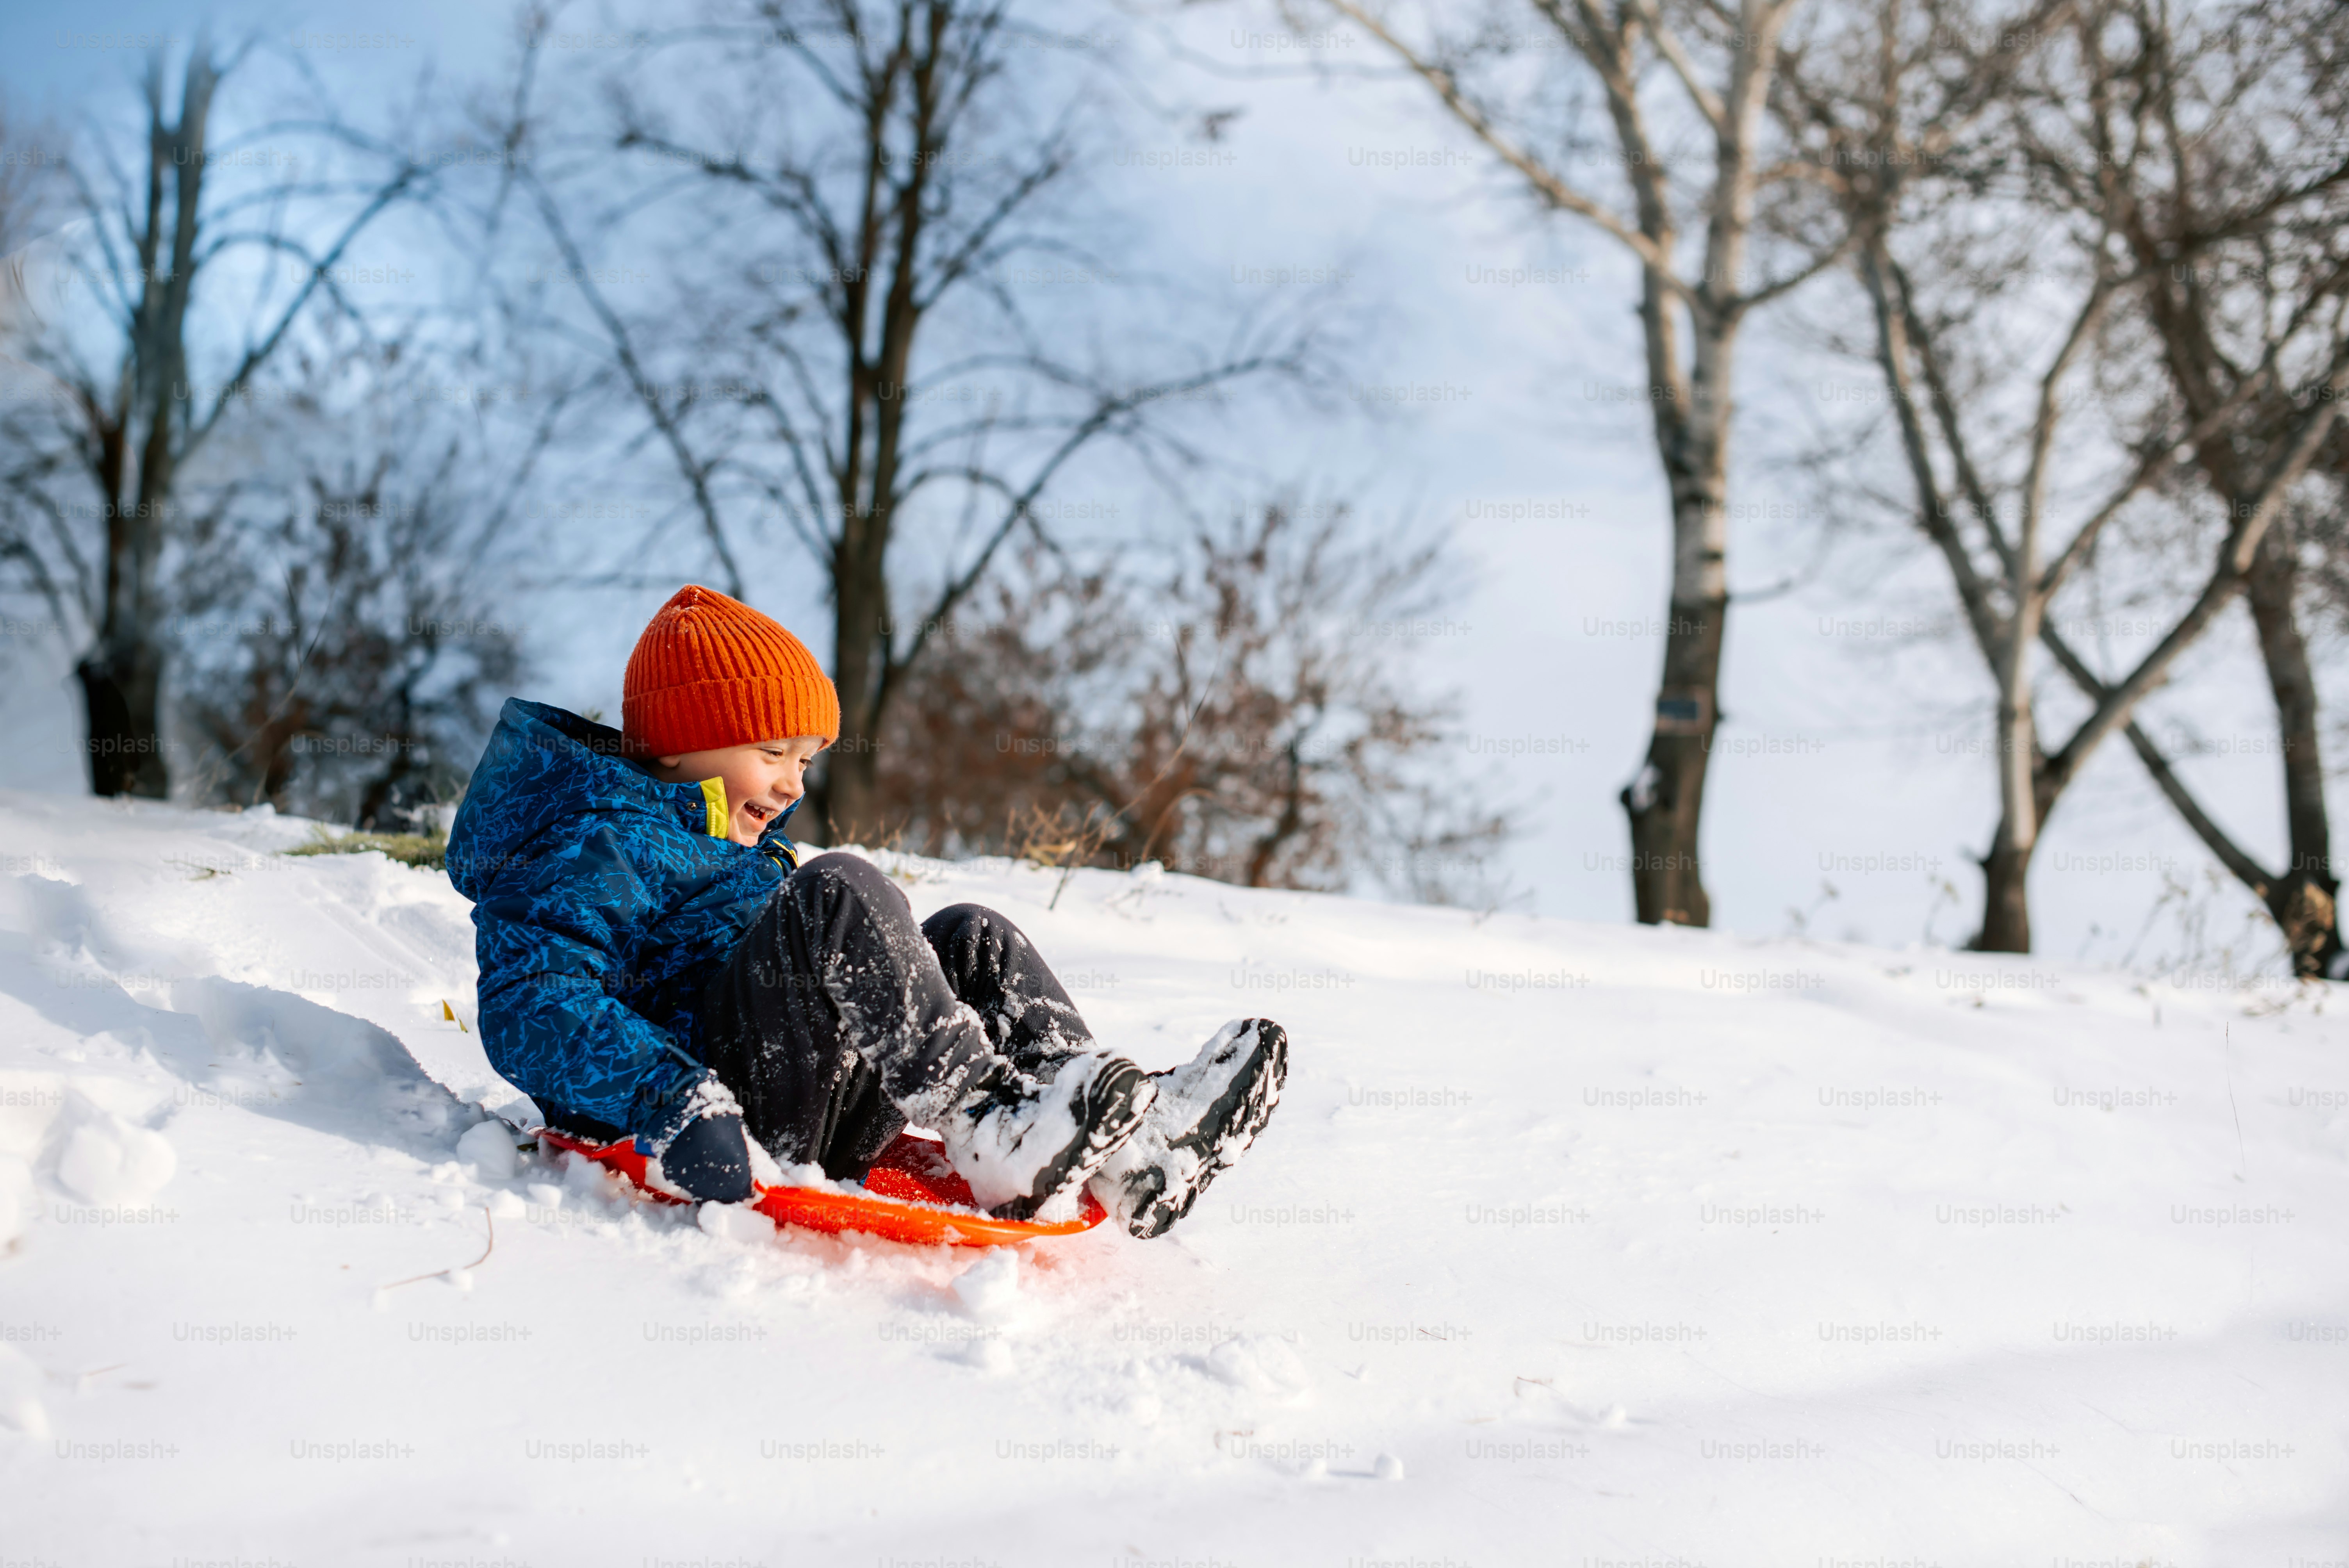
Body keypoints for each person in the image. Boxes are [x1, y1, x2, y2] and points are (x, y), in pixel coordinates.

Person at [446, 584, 1285, 1237]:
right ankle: (990, 1121)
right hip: (719, 1111)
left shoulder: (735, 852)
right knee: (835, 888)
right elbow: (533, 1002)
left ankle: (1125, 1152)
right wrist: (674, 1097)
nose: (790, 783)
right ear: (674, 742)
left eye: (804, 759)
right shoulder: (594, 843)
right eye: (770, 750)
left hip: (811, 1098)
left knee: (970, 936)